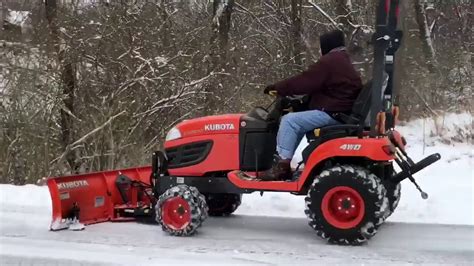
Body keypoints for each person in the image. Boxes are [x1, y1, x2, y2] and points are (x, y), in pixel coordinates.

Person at [262, 30, 363, 181]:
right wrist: (301, 103)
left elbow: (306, 81)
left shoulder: (331, 60)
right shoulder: (343, 60)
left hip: (333, 113)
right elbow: (326, 87)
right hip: (340, 110)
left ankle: (282, 166)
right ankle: (284, 161)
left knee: (289, 121)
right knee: (297, 122)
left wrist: (278, 88)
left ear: (327, 45)